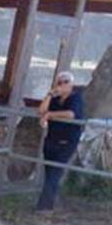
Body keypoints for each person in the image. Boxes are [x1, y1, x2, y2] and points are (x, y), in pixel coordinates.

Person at [35, 70, 84, 210]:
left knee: (54, 173)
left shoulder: (76, 98)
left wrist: (50, 115)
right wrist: (50, 94)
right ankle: (49, 204)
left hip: (66, 142)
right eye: (59, 82)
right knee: (49, 173)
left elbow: (71, 114)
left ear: (71, 84)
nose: (62, 84)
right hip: (52, 140)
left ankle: (43, 207)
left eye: (66, 82)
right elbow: (41, 111)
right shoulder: (55, 100)